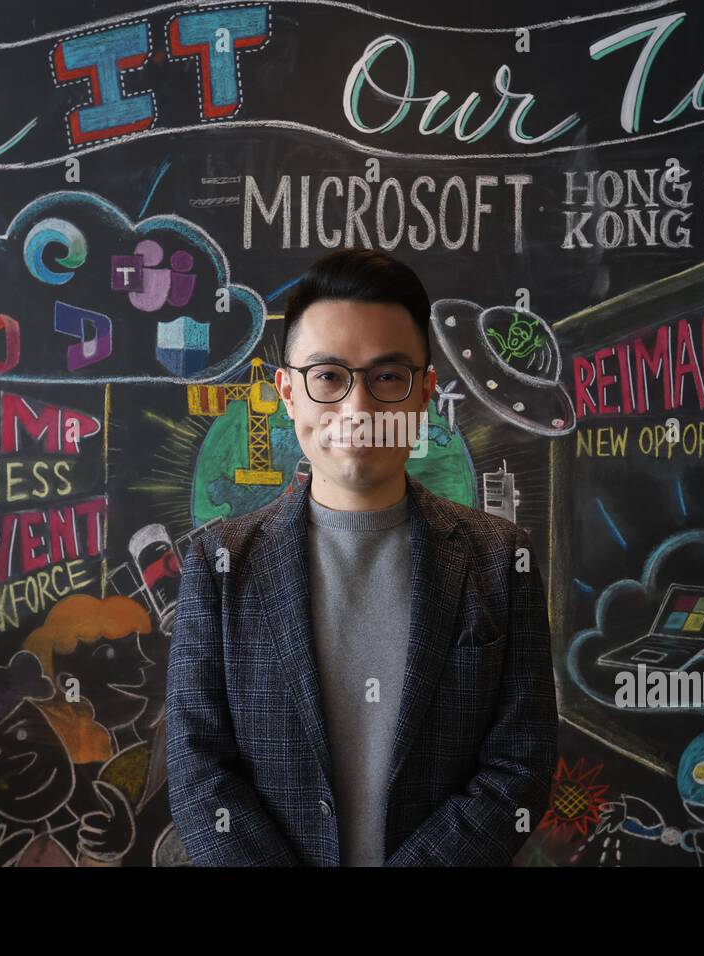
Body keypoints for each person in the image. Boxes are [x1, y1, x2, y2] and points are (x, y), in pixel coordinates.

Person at [165, 248, 559, 866]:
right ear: (287, 394)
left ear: (425, 393)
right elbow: (197, 771)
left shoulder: (499, 561)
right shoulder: (220, 566)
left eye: (387, 378)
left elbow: (519, 766)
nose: (357, 410)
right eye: (328, 377)